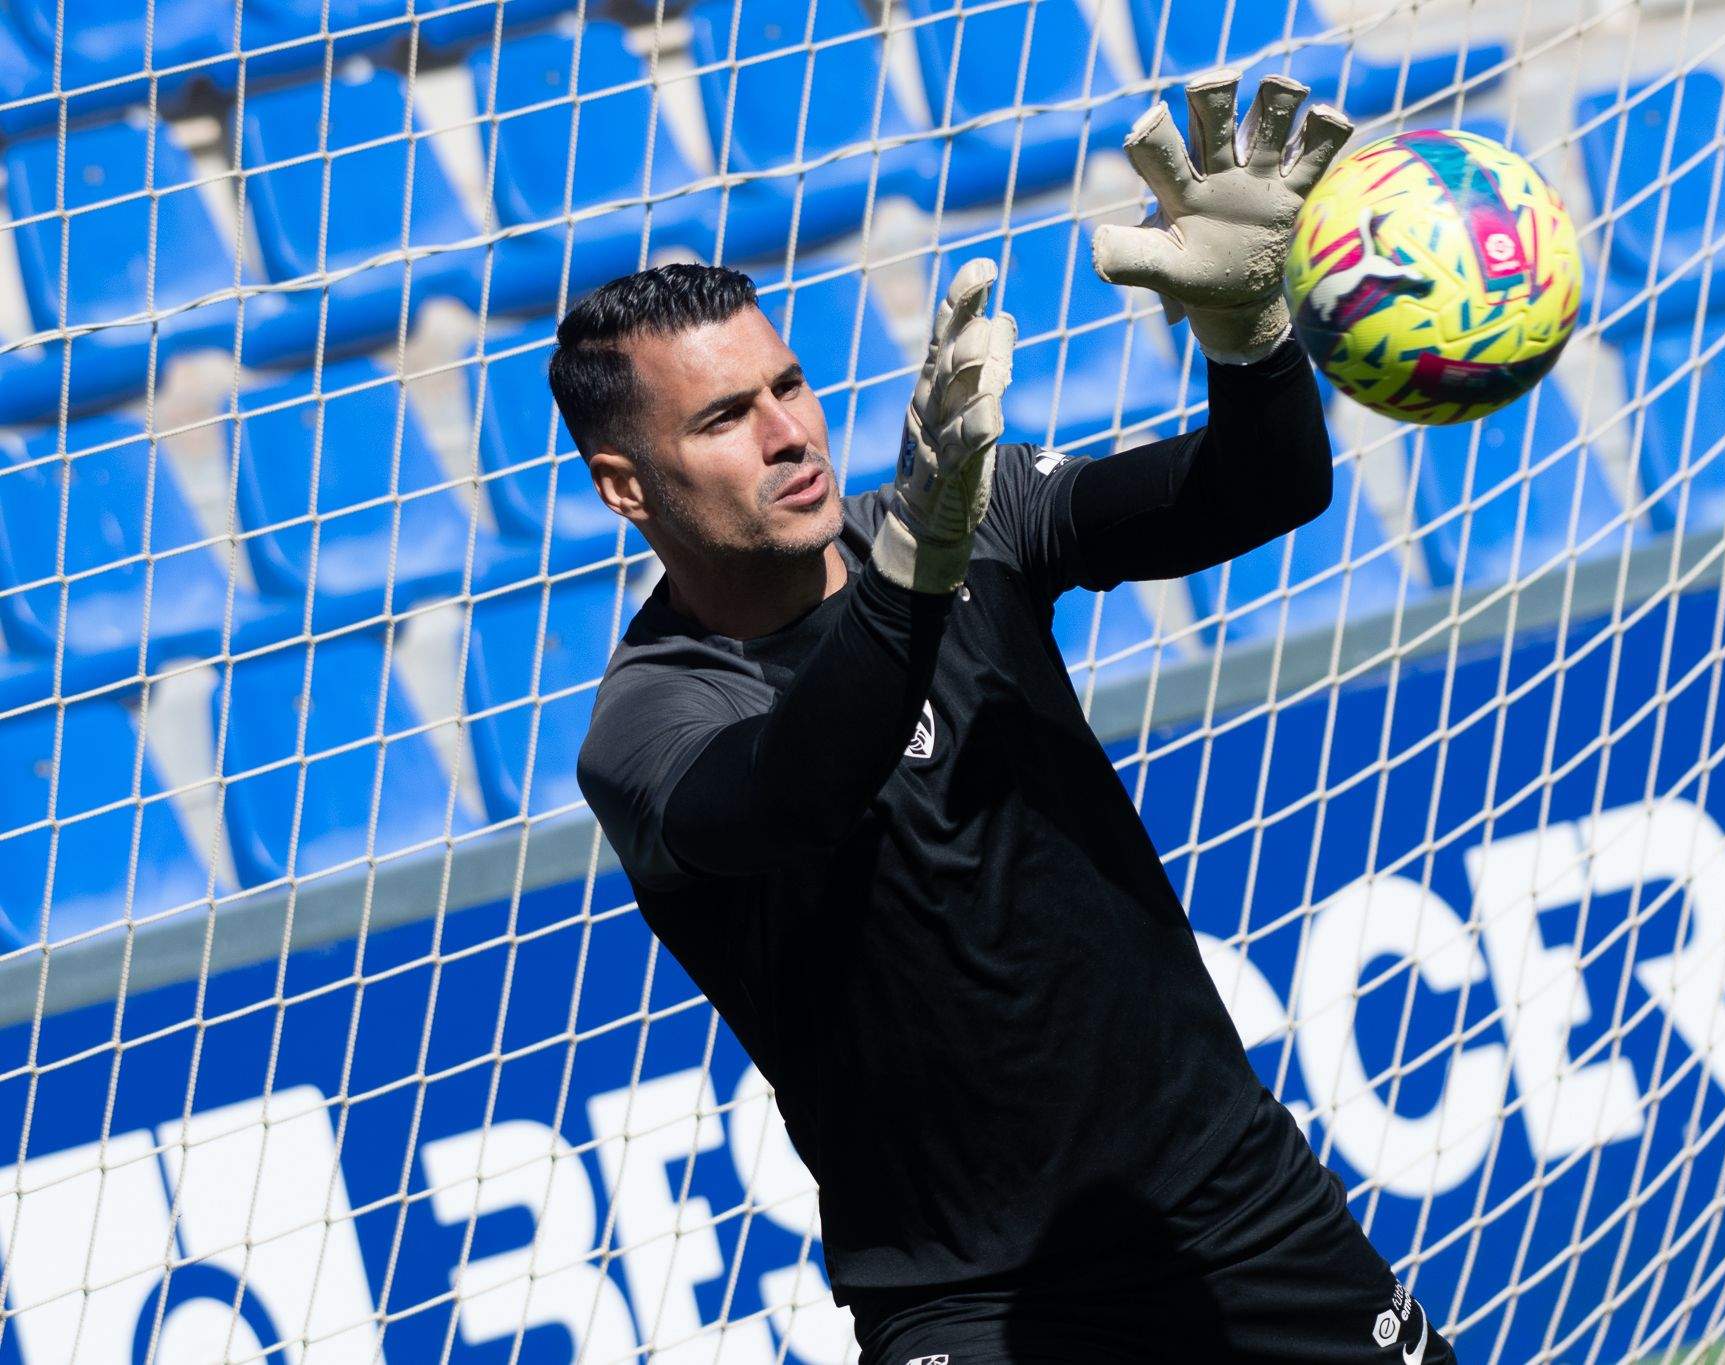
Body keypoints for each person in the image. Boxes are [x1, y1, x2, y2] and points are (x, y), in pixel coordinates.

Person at [560, 68, 1457, 1365]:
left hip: (1232, 1203)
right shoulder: (646, 722)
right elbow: (798, 784)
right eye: (723, 417)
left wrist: (1249, 344)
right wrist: (917, 560)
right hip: (964, 1293)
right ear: (625, 485)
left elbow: (1256, 491)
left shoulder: (965, 519)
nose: (788, 433)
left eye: (789, 387)